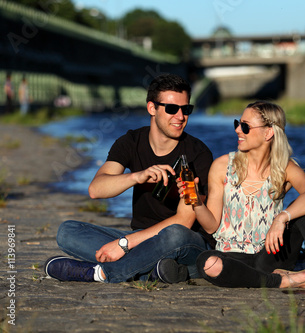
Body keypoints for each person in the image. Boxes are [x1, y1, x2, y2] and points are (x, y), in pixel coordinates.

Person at [178, 101, 305, 293]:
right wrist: (196, 202)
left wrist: (282, 217)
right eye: (237, 123)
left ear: (268, 133)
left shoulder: (284, 168)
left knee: (304, 212)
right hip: (231, 256)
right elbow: (211, 226)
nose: (237, 130)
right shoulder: (222, 166)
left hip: (270, 255)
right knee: (208, 264)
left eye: (245, 126)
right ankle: (281, 281)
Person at [44, 73, 214, 283]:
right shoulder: (131, 141)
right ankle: (153, 272)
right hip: (141, 239)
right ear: (152, 108)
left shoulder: (198, 153)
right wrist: (136, 177)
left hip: (184, 243)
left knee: (174, 234)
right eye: (171, 109)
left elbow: (184, 221)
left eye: (186, 109)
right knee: (67, 231)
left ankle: (101, 273)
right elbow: (96, 189)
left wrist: (124, 244)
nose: (180, 116)